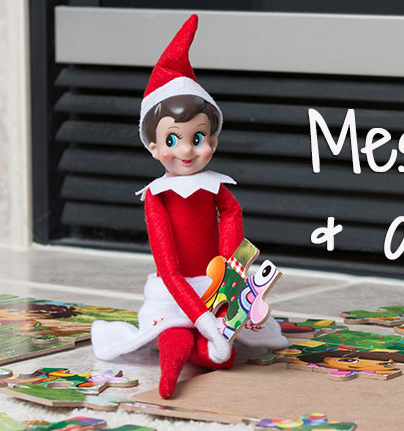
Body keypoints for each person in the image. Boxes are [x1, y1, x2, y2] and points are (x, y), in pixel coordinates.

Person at [91, 14, 286, 399]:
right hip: (174, 289)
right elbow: (167, 267)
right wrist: (201, 318)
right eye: (172, 139)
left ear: (213, 139)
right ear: (153, 147)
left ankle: (205, 351)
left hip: (215, 285)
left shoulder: (215, 187)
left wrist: (229, 272)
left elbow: (231, 213)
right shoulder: (157, 196)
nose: (186, 150)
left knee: (223, 355)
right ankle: (170, 375)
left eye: (198, 137)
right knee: (173, 333)